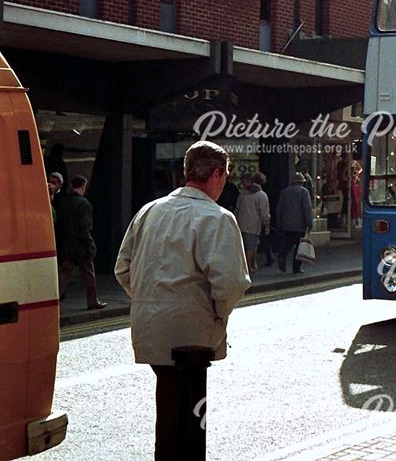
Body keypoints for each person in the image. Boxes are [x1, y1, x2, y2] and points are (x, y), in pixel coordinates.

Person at [114, 141, 251, 460]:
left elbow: (123, 268)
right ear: (216, 174)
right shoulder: (217, 217)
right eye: (225, 177)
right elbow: (230, 283)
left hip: (150, 327)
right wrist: (217, 314)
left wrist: (151, 299)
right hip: (193, 334)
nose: (224, 184)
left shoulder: (150, 210)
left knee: (170, 404)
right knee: (189, 411)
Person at [56, 175, 106, 310]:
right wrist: (89, 244)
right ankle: (92, 301)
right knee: (89, 274)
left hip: (67, 245)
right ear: (83, 186)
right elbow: (85, 228)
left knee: (64, 275)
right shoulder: (84, 204)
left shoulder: (63, 203)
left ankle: (54, 302)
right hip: (82, 246)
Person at [275, 172, 313, 274]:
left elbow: (279, 208)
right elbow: (307, 208)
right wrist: (309, 222)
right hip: (300, 224)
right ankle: (296, 267)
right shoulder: (304, 192)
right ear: (302, 182)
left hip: (287, 224)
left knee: (288, 242)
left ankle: (282, 256)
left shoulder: (284, 192)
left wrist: (279, 222)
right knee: (299, 246)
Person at [235, 172, 270, 275]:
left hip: (241, 223)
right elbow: (264, 212)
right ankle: (248, 268)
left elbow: (237, 208)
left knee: (246, 247)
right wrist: (266, 224)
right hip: (253, 224)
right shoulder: (261, 195)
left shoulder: (243, 193)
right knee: (251, 247)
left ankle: (251, 265)